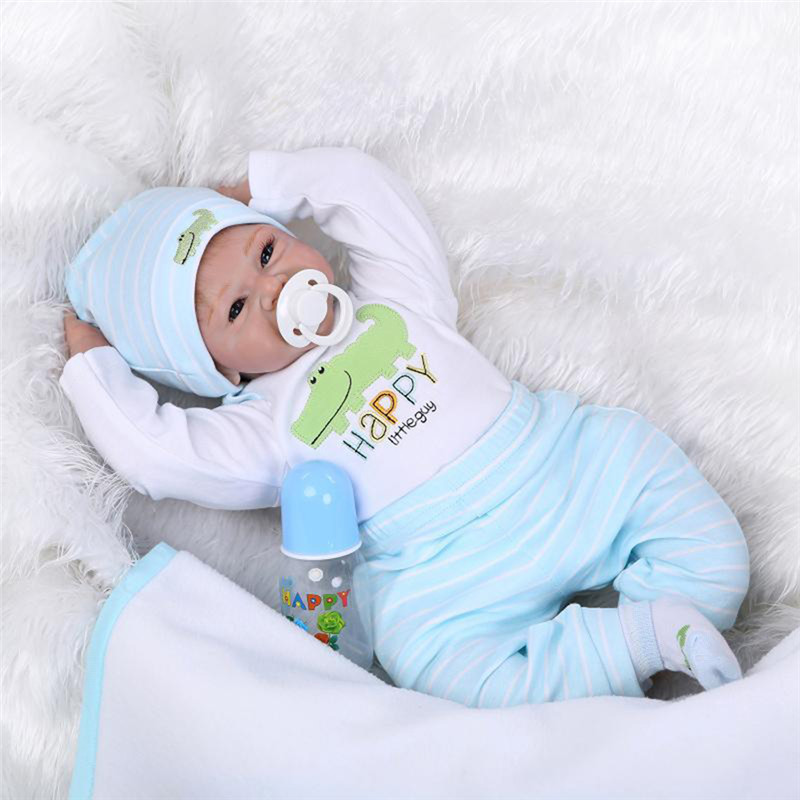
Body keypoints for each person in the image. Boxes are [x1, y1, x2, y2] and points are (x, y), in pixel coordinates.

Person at [61, 145, 750, 708]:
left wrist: (267, 182)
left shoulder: (396, 298)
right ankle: (640, 641)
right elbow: (157, 454)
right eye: (237, 309)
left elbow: (367, 195)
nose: (273, 290)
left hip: (562, 468)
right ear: (215, 370)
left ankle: (669, 621)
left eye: (266, 252)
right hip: (443, 577)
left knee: (711, 553)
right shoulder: (263, 428)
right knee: (451, 681)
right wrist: (93, 368)